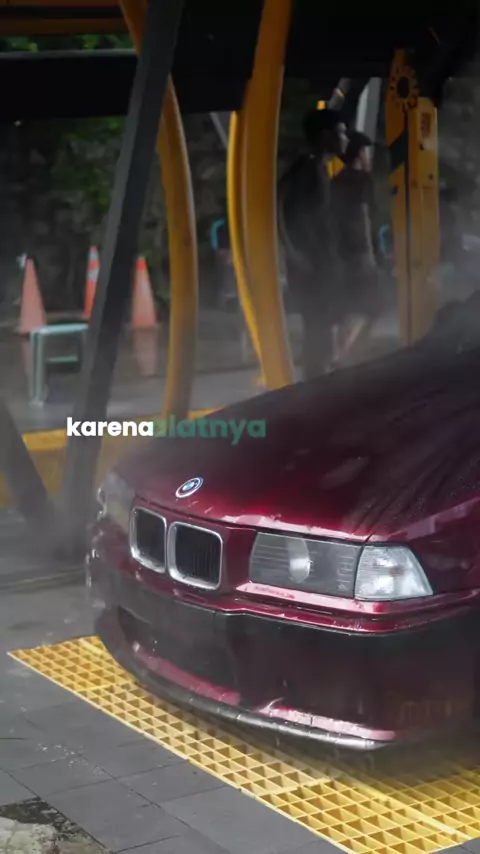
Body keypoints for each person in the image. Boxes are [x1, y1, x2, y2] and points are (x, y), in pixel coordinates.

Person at [278, 108, 348, 379]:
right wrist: (294, 253)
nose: (345, 138)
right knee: (317, 329)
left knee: (321, 328)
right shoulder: (307, 168)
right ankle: (315, 386)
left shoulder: (315, 167)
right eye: (341, 132)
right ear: (325, 135)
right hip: (312, 263)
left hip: (321, 260)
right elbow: (281, 207)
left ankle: (318, 383)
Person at [331, 130, 380, 363]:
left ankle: (340, 353)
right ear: (359, 154)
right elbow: (363, 215)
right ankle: (347, 354)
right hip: (358, 250)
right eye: (366, 152)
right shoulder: (362, 179)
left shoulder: (335, 180)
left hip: (338, 250)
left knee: (345, 307)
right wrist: (369, 252)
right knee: (373, 306)